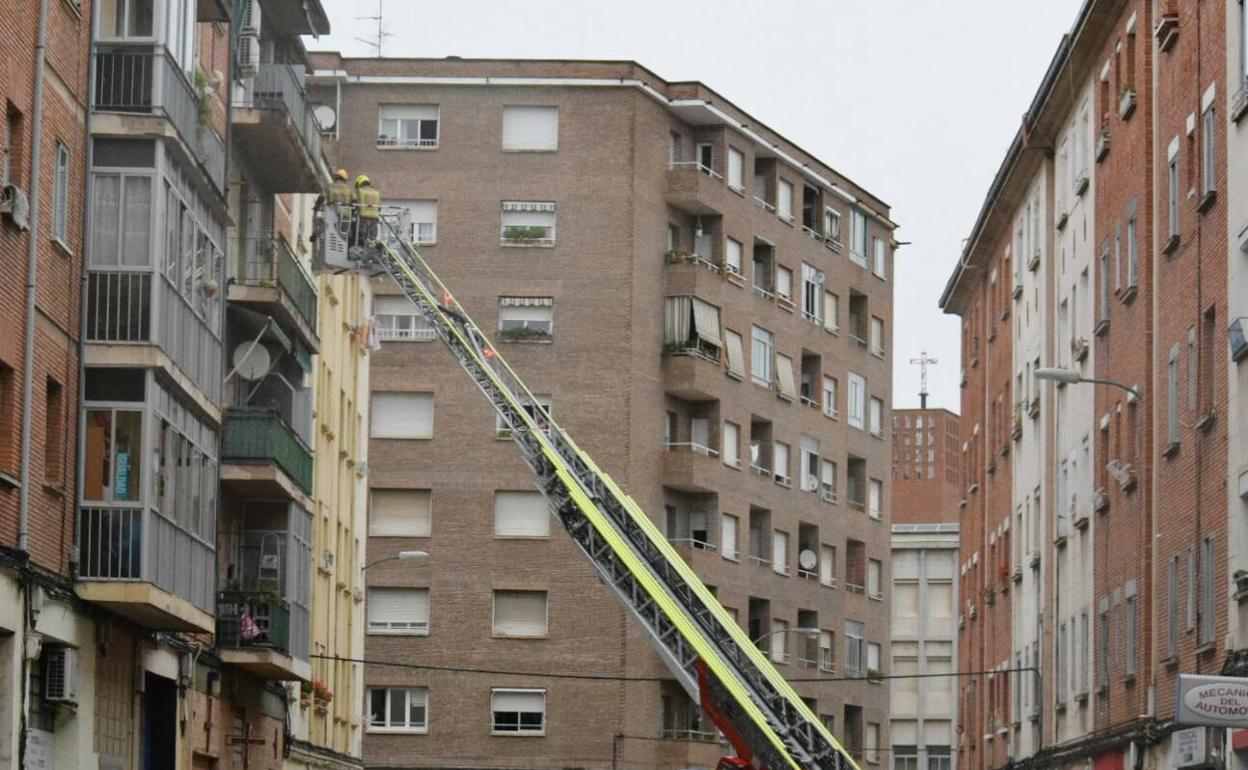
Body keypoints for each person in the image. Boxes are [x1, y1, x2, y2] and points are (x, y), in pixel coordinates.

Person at [355, 174, 381, 246]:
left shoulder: (360, 191)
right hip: (375, 219)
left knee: (364, 239)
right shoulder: (376, 192)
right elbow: (379, 207)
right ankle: (371, 250)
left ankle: (364, 249)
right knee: (372, 239)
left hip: (364, 218)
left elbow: (356, 203)